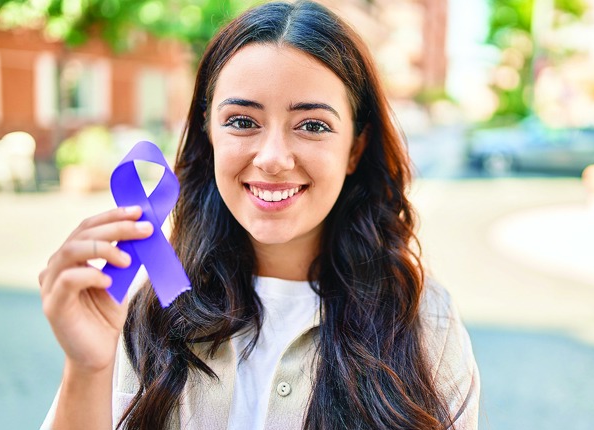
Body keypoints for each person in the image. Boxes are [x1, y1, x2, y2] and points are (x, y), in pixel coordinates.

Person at [39, 1, 479, 429]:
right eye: (242, 121)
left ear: (355, 148)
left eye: (312, 125)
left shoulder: (424, 322)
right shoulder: (141, 308)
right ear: (208, 133)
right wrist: (86, 369)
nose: (272, 158)